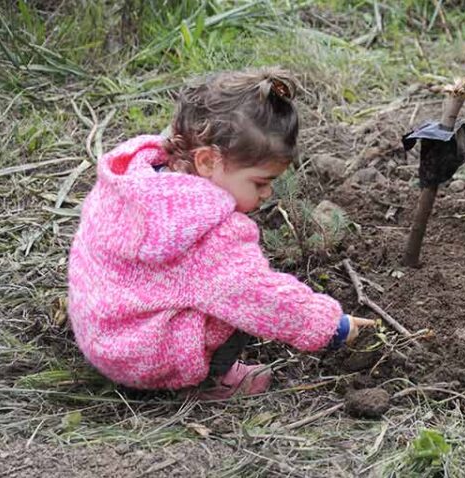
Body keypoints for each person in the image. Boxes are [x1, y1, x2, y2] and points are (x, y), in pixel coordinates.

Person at [67, 67, 374, 399]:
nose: (268, 194)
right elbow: (263, 297)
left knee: (224, 287)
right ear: (208, 162)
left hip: (102, 328)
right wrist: (333, 327)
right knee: (243, 298)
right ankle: (207, 382)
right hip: (141, 359)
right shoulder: (209, 234)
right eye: (260, 182)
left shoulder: (138, 177)